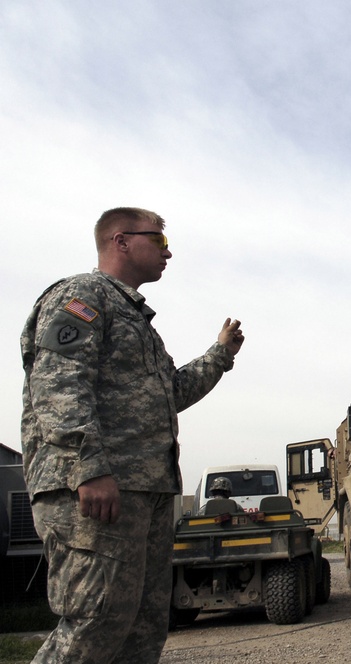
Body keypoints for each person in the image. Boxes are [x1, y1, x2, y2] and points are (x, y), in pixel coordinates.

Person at [20, 207, 245, 664]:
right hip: (97, 491)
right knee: (94, 624)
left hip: (146, 492)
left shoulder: (138, 323)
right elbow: (59, 383)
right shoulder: (83, 296)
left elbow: (170, 394)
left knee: (141, 629)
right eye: (159, 241)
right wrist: (89, 468)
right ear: (121, 241)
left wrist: (219, 355)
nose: (168, 251)